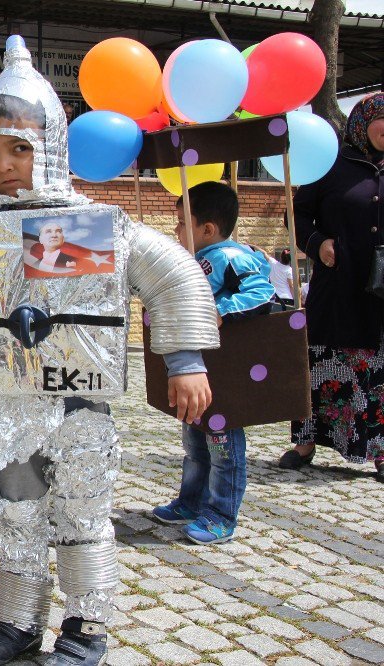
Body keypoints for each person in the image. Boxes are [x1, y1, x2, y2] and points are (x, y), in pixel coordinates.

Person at [0, 35, 217, 666]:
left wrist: (186, 361)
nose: (5, 165)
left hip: (77, 407)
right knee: (19, 514)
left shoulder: (89, 227)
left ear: (51, 150)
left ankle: (86, 628)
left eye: (20, 150)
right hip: (7, 411)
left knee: (82, 517)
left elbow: (171, 274)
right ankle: (17, 620)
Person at [152, 182, 275, 544]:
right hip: (199, 371)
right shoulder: (195, 259)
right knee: (195, 443)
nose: (175, 231)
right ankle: (191, 501)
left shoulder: (231, 257)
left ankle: (221, 514)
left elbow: (261, 293)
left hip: (225, 372)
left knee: (223, 447)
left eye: (180, 223)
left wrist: (218, 313)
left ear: (207, 228)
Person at [279, 92, 384, 478]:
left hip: (380, 296)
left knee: (380, 370)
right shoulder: (332, 165)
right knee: (323, 362)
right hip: (337, 288)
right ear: (364, 121)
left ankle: (381, 451)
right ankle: (305, 443)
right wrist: (318, 242)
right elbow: (298, 215)